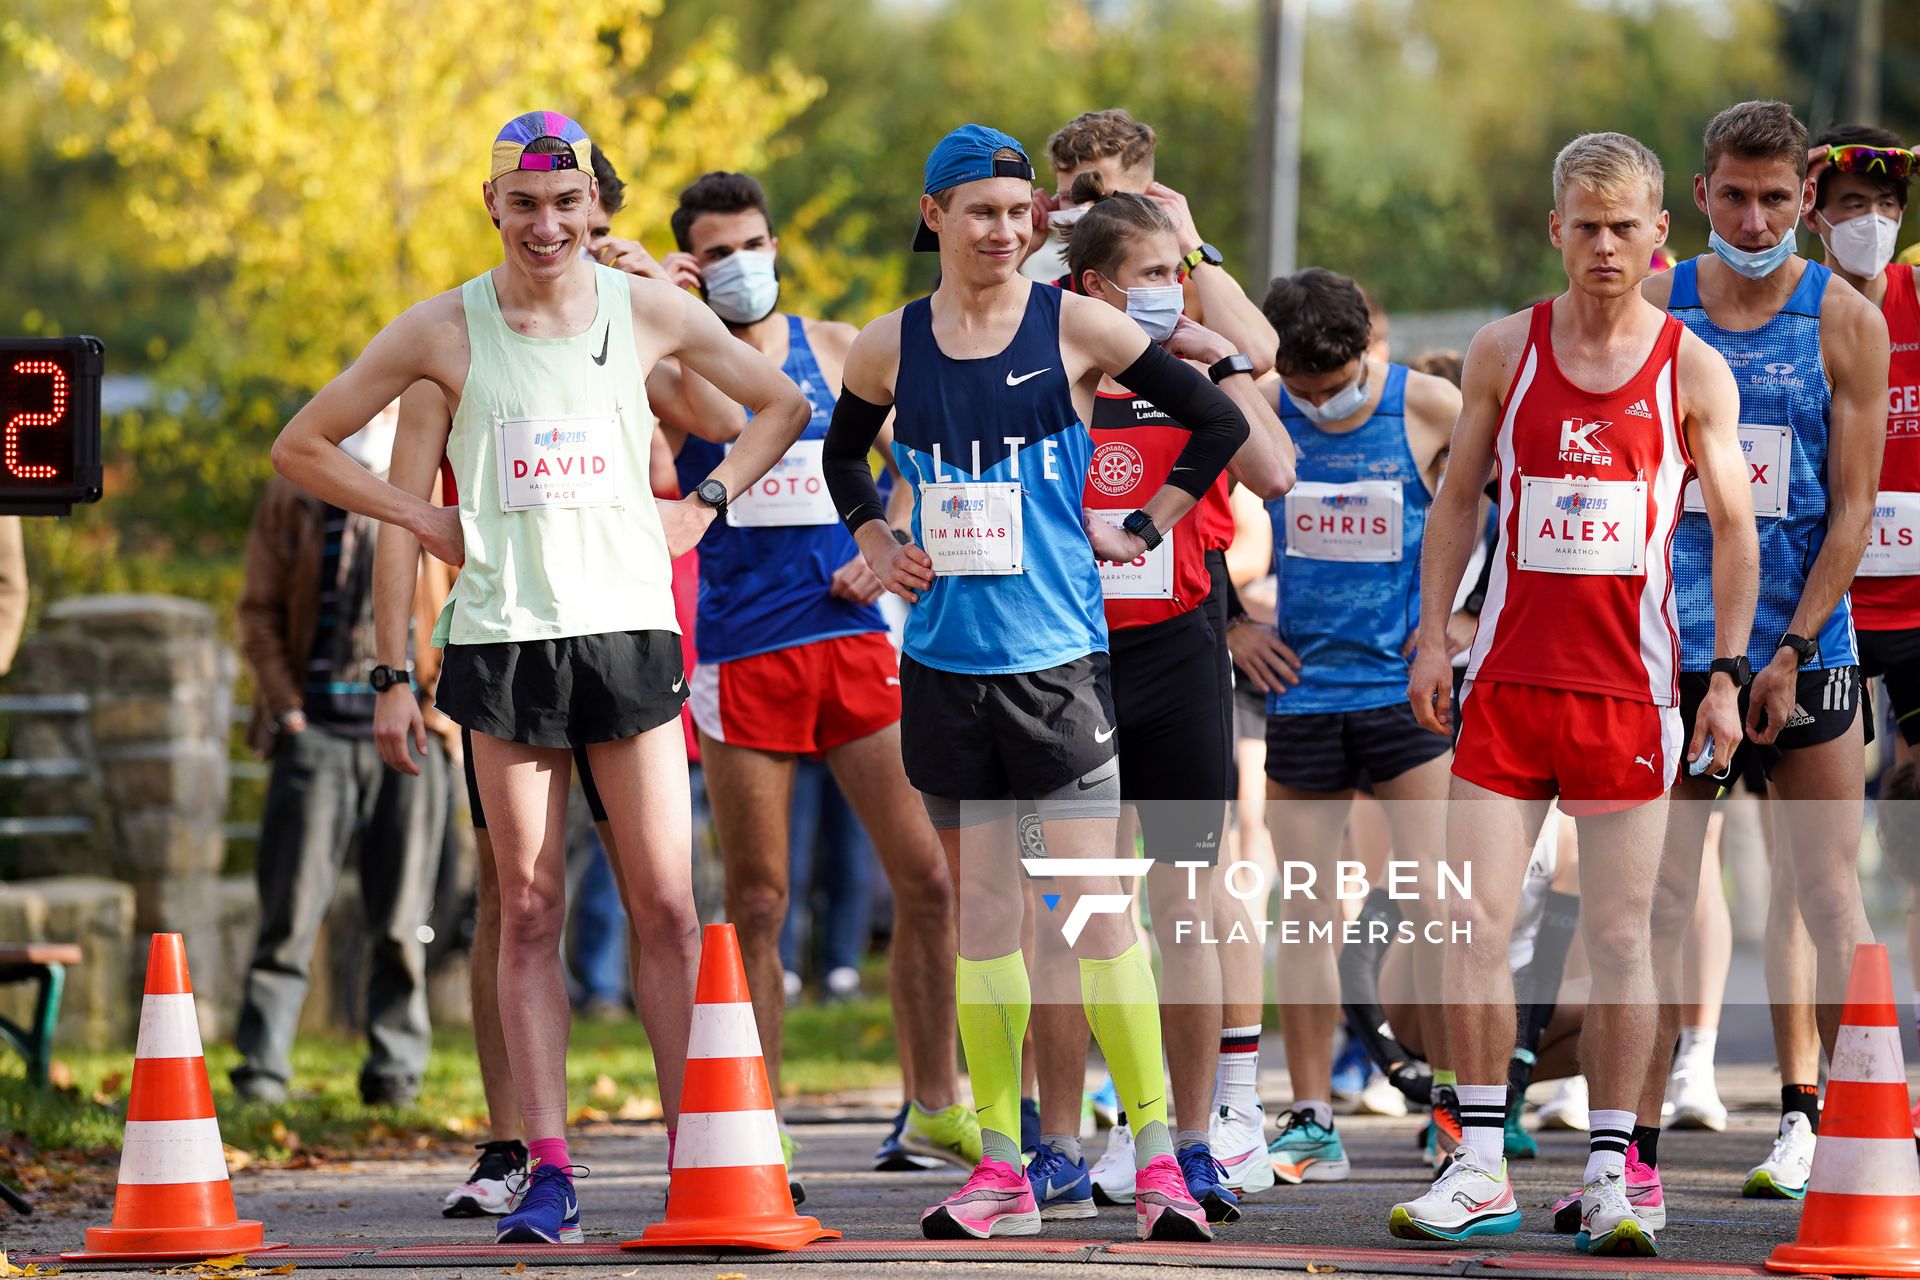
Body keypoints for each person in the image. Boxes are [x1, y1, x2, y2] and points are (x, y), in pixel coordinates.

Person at [274, 110, 811, 1245]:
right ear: (492, 206)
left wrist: (700, 507)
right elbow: (304, 443)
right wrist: (422, 514)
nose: (547, 224)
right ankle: (550, 1168)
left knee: (669, 904)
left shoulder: (651, 308)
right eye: (525, 204)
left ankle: (695, 1155)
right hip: (501, 643)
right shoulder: (442, 330)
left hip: (626, 636)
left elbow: (780, 405)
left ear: (592, 209)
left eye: (567, 203)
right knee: (525, 906)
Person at [823, 123, 1249, 1243]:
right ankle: (1005, 1165)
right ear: (936, 218)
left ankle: (1159, 1156)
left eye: (1020, 212)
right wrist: (876, 534)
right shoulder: (888, 345)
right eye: (981, 212)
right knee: (987, 922)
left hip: (1057, 669)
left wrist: (1149, 520)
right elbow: (839, 454)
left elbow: (1217, 417)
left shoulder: (1078, 325)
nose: (1005, 230)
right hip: (944, 671)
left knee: (1099, 917)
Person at [1396, 130, 1754, 1257]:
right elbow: (1458, 498)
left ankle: (1613, 1173)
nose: (1604, 245)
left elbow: (1736, 530)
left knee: (1621, 937)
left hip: (1630, 693)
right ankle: (1479, 1161)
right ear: (1556, 231)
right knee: (1472, 921)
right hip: (1504, 684)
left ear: (1661, 236)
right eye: (1585, 226)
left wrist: (1728, 677)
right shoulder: (1507, 347)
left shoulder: (1691, 365)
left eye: (1625, 227)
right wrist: (1430, 637)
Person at [655, 170, 979, 1189]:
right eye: (716, 252)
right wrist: (670, 315)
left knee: (925, 877)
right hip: (744, 651)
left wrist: (886, 537)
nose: (739, 263)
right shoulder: (671, 366)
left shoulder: (840, 346)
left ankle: (937, 1104)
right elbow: (710, 409)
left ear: (774, 244)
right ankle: (759, 1125)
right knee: (759, 898)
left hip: (851, 639)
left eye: (752, 242)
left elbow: (920, 458)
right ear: (690, 266)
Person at [1021, 177, 1294, 1224]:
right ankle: (1056, 1140)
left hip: (1178, 661)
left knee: (1183, 908)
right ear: (1091, 285)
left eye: (1176, 271)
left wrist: (1212, 341)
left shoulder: (1195, 370)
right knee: (1071, 915)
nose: (1167, 289)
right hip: (1066, 661)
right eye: (1148, 274)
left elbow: (1274, 468)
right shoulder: (1057, 366)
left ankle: (1189, 1141)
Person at [1632, 100, 1888, 1208]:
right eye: (1734, 195)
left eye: (1777, 200)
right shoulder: (1655, 302)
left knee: (1830, 896)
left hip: (1806, 646)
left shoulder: (1843, 321)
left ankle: (1844, 1133)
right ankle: (1624, 1157)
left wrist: (1786, 649)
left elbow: (1854, 511)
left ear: (1808, 206)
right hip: (1674, 648)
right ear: (1700, 194)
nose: (1753, 216)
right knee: (1657, 898)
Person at [1241, 267, 1458, 1186]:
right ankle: (1311, 1117)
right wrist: (1231, 624)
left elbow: (1506, 496)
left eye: (1337, 387)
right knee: (1306, 914)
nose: (1323, 405)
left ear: (1369, 346)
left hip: (1403, 696)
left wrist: (1454, 619)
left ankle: (1459, 1114)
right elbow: (1193, 518)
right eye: (1305, 391)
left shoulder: (1431, 403)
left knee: (1442, 908)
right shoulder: (1256, 406)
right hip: (1301, 693)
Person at [233, 401, 451, 1109]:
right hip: (319, 731)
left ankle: (396, 1073)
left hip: (412, 733)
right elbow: (258, 610)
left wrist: (441, 703)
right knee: (290, 915)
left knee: (401, 918)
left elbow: (465, 602)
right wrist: (288, 710)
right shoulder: (297, 485)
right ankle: (262, 1074)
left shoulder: (433, 485)